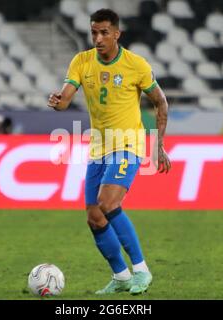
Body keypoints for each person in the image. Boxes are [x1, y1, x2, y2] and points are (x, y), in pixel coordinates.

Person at [47, 9, 171, 295]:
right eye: (94, 33)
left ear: (117, 33)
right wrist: (58, 101)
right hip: (99, 148)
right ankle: (121, 276)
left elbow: (160, 102)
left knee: (107, 202)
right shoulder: (82, 61)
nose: (98, 38)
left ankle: (141, 270)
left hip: (128, 144)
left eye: (104, 32)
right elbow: (66, 98)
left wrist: (159, 144)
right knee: (94, 216)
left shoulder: (135, 65)